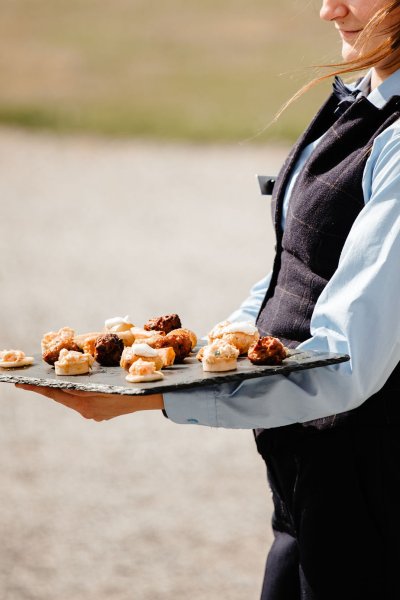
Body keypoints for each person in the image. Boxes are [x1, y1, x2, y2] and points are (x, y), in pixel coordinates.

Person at [18, 0, 400, 598]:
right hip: (305, 480)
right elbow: (294, 269)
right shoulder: (360, 98)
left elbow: (348, 359)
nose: (330, 10)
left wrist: (156, 401)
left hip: (373, 485)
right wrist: (195, 355)